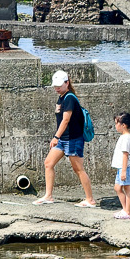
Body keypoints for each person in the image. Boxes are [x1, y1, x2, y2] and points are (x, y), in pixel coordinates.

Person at [34, 70, 96, 208]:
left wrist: (56, 137)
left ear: (67, 83)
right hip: (63, 139)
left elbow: (66, 120)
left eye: (59, 85)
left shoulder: (69, 98)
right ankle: (48, 196)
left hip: (73, 139)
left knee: (78, 169)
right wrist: (58, 137)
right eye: (55, 86)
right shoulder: (61, 97)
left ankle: (90, 199)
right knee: (48, 163)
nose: (57, 88)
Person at [112, 111, 130, 219]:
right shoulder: (124, 137)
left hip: (126, 168)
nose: (115, 126)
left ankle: (128, 212)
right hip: (123, 168)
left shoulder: (126, 138)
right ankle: (125, 209)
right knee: (118, 188)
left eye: (116, 123)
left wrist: (123, 171)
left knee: (127, 189)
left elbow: (125, 155)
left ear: (123, 125)